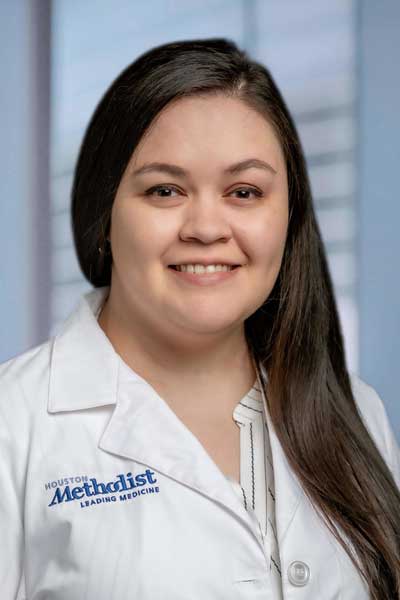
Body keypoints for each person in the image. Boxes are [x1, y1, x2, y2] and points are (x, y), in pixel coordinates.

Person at [1, 37, 399, 600]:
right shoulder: (13, 424)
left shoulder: (355, 411)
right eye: (165, 190)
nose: (207, 228)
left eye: (245, 192)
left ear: (289, 216)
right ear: (104, 214)